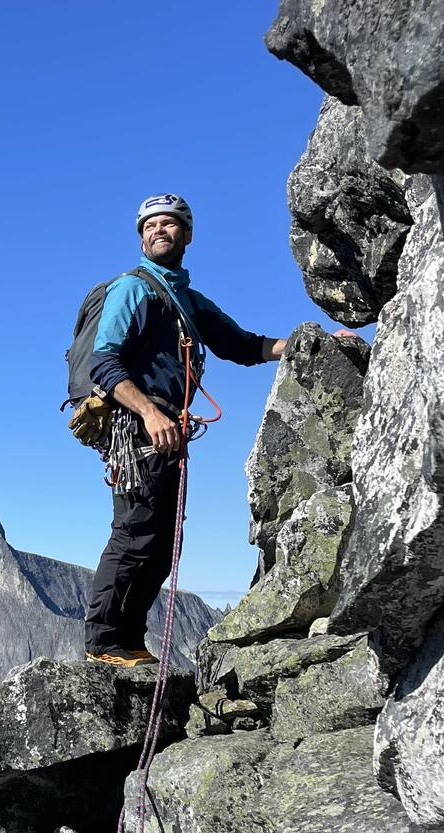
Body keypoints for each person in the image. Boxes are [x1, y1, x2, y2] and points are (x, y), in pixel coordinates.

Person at [83, 193, 345, 667]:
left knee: (161, 540)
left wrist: (314, 343)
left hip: (167, 428)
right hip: (141, 425)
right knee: (136, 531)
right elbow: (105, 363)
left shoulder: (186, 300)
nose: (159, 231)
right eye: (150, 226)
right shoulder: (133, 289)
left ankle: (127, 640)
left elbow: (244, 345)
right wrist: (150, 413)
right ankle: (104, 642)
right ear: (141, 237)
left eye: (169, 224)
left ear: (187, 234)